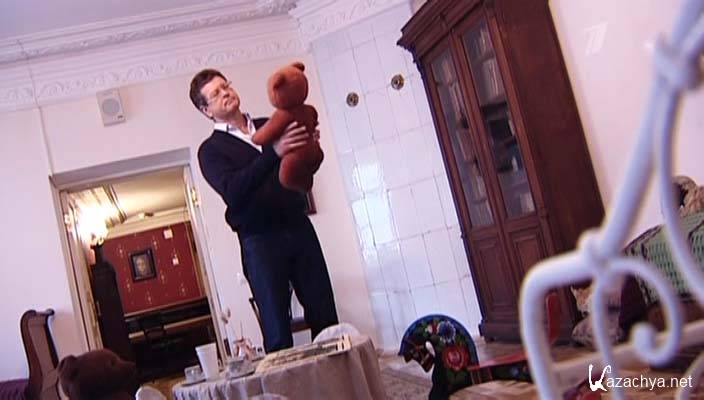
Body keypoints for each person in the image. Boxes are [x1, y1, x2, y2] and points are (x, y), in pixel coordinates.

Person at [189, 69, 338, 352]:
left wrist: (309, 148)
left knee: (325, 315)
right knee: (277, 330)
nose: (225, 93)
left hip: (298, 227)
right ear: (206, 110)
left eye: (226, 85)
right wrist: (274, 152)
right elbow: (233, 190)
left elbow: (301, 168)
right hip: (259, 241)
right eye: (216, 94)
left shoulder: (271, 124)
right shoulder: (210, 151)